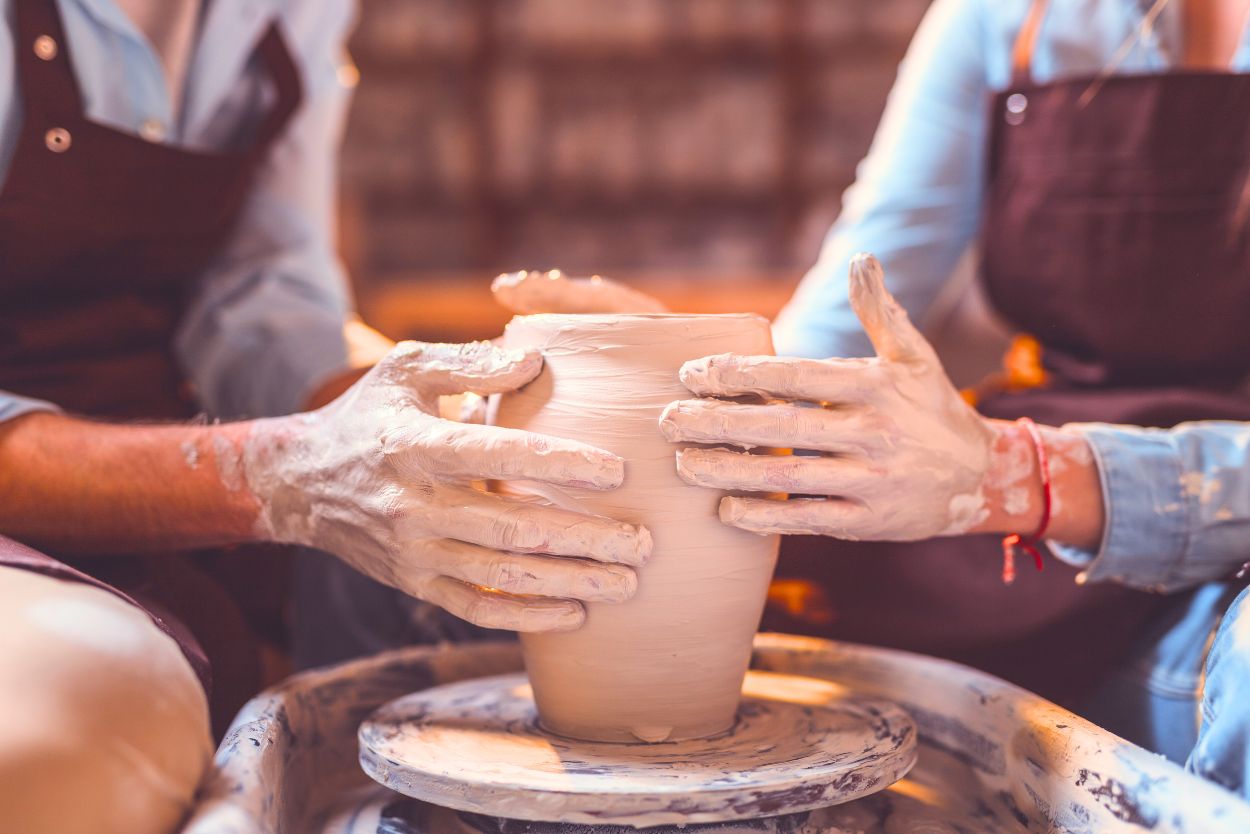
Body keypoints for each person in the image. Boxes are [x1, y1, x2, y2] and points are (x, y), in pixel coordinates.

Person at [0, 2, 648, 831]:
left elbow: (258, 279)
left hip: (167, 442)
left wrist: (431, 426)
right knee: (81, 723)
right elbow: (282, 472)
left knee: (489, 580)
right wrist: (282, 474)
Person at [659, 0, 1250, 763]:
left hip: (1207, 528)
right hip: (1038, 485)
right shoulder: (1003, 15)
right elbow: (862, 289)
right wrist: (711, 397)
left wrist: (1024, 477)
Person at [661, 252, 1250, 798]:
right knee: (772, 556)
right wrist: (738, 403)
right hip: (1042, 434)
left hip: (1203, 521)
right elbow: (882, 255)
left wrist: (1016, 474)